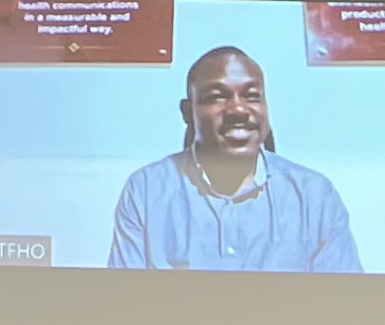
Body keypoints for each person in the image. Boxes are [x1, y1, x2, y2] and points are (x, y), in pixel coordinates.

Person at [106, 46, 364, 273]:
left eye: (252, 96)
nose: (238, 110)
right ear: (188, 112)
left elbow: (345, 304)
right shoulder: (146, 190)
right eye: (218, 97)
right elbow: (125, 303)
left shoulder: (314, 195)